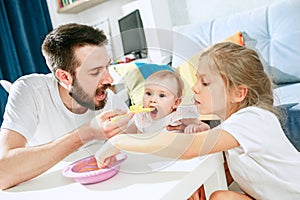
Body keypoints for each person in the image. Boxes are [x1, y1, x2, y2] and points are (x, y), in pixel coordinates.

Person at [95, 42, 300, 199]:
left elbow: (189, 147)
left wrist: (119, 141)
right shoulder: (232, 125)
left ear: (239, 93)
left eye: (205, 82)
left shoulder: (252, 118)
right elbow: (242, 169)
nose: (194, 88)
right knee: (220, 196)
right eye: (196, 80)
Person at [0, 23, 133, 190]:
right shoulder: (30, 90)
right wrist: (88, 132)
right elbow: (2, 175)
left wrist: (164, 120)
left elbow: (136, 138)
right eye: (95, 72)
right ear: (64, 77)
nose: (109, 79)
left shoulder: (107, 97)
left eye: (106, 66)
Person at [128, 70, 210, 134]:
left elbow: (206, 128)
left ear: (176, 103)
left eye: (161, 95)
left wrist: (196, 128)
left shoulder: (178, 117)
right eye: (148, 93)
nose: (152, 100)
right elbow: (126, 135)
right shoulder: (142, 118)